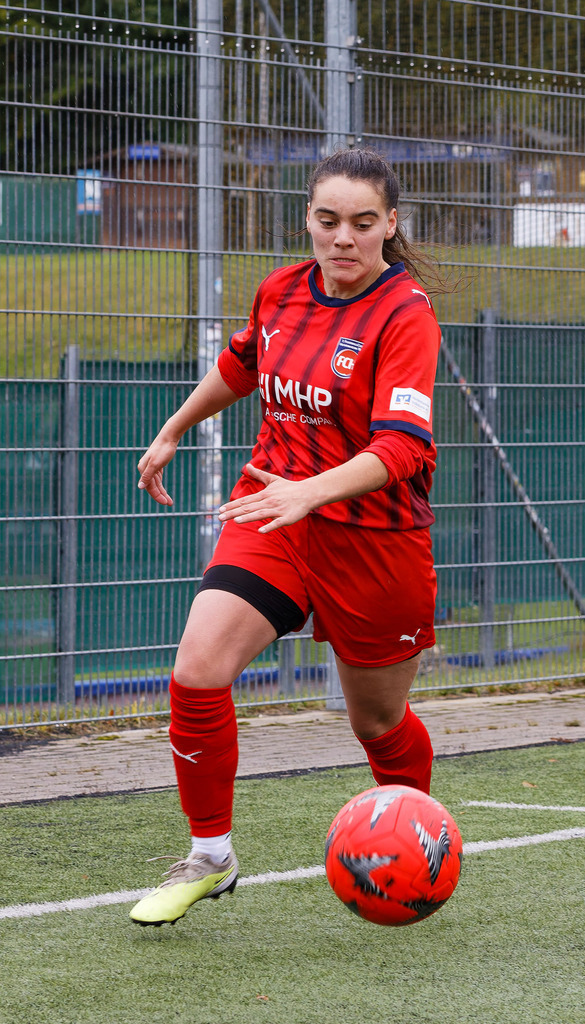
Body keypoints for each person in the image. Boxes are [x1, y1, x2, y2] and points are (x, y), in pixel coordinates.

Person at [130, 148, 443, 926]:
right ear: (307, 219)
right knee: (198, 669)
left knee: (374, 722)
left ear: (389, 225)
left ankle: (417, 841)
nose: (343, 238)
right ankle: (210, 855)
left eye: (362, 224)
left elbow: (403, 446)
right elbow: (244, 366)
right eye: (327, 220)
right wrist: (174, 428)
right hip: (272, 511)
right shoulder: (281, 290)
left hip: (373, 542)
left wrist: (316, 491)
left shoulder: (406, 315)